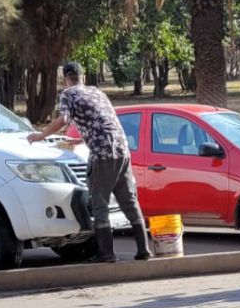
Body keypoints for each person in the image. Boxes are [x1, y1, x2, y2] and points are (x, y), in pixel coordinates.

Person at [28, 62, 151, 262]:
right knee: (129, 201)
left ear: (65, 79)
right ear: (82, 76)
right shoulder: (97, 92)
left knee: (99, 204)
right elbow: (104, 121)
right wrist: (82, 139)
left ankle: (106, 254)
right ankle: (144, 250)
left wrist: (40, 136)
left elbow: (64, 119)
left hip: (102, 155)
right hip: (122, 150)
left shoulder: (69, 94)